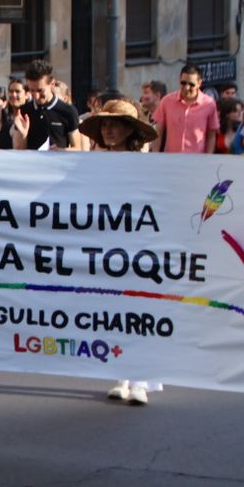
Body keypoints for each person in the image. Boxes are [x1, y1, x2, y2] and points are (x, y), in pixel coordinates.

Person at [77, 99, 162, 405]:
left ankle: (140, 379)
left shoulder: (145, 166)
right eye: (104, 124)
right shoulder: (94, 163)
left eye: (114, 124)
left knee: (138, 310)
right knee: (112, 312)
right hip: (105, 246)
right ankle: (121, 374)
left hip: (138, 247)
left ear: (129, 129)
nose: (108, 129)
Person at [16, 59, 81, 150]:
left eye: (40, 90)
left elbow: (78, 148)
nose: (36, 96)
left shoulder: (68, 111)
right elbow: (18, 153)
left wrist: (62, 151)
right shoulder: (24, 111)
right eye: (31, 90)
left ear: (52, 84)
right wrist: (22, 135)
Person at [153, 64, 217, 154]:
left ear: (199, 83)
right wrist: (154, 154)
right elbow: (158, 131)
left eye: (191, 84)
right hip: (171, 159)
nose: (187, 88)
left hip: (197, 160)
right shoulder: (167, 101)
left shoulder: (209, 104)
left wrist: (209, 157)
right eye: (183, 83)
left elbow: (211, 135)